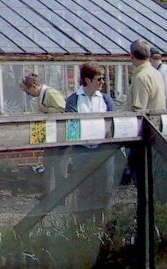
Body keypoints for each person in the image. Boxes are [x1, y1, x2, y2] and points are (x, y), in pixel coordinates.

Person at [65, 62, 115, 222]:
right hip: (82, 152)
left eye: (103, 79)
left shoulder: (106, 100)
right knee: (85, 190)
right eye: (99, 79)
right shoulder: (73, 100)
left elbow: (114, 123)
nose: (102, 82)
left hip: (103, 152)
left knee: (105, 189)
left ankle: (103, 225)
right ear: (87, 80)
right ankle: (83, 227)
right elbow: (72, 128)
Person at [20, 73, 68, 197]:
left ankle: (59, 196)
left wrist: (47, 110)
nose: (28, 95)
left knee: (59, 168)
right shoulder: (43, 95)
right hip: (51, 136)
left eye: (28, 91)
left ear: (34, 86)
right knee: (48, 164)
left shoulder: (51, 94)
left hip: (60, 137)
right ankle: (50, 194)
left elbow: (65, 111)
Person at [127, 39, 165, 112]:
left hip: (146, 122)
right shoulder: (157, 73)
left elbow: (139, 111)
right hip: (157, 120)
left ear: (131, 56)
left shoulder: (141, 77)